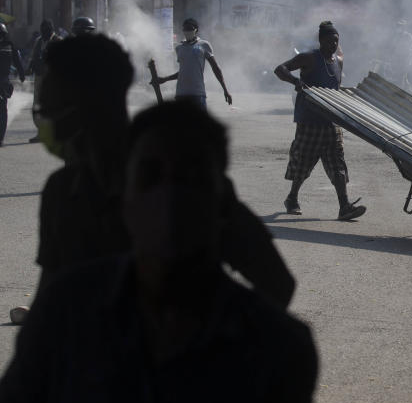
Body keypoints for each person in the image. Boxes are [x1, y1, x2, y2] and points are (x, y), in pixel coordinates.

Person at [0, 101, 318, 403]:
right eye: (151, 176)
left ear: (223, 202)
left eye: (192, 177)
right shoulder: (64, 312)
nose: (170, 197)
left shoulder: (278, 345)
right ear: (124, 200)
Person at [10, 35, 295, 323]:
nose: (44, 122)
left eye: (48, 111)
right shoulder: (63, 190)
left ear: (87, 107)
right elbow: (50, 295)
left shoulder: (186, 183)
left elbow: (277, 284)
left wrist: (209, 352)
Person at [275, 20, 366, 220]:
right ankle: (292, 198)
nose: (334, 45)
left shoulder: (338, 61)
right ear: (321, 41)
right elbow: (280, 69)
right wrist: (295, 81)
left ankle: (344, 206)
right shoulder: (308, 58)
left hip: (331, 121)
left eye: (337, 41)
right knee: (302, 163)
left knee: (338, 165)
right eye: (330, 41)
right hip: (309, 120)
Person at [157, 18, 232, 109]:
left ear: (196, 30)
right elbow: (183, 71)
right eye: (185, 29)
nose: (187, 31)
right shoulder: (179, 48)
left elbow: (215, 68)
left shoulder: (204, 45)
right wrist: (165, 79)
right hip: (181, 94)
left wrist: (225, 89)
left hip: (198, 94)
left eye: (190, 28)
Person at [26, 19, 61, 143]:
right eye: (42, 29)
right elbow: (33, 56)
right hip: (40, 77)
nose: (44, 31)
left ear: (51, 29)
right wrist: (29, 68)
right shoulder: (39, 41)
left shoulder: (57, 41)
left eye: (46, 29)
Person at [0, 24, 25, 147]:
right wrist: (21, 74)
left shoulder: (10, 46)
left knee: (2, 111)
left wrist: (22, 73)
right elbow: (18, 61)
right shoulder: (10, 45)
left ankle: (0, 138)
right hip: (4, 83)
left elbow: (18, 61)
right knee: (2, 111)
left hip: (3, 83)